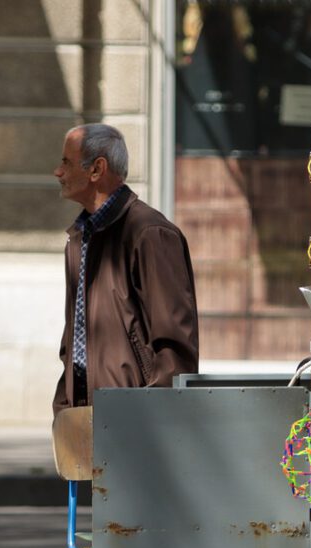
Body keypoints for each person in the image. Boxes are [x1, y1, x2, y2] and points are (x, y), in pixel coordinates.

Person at [52, 124, 199, 415]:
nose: (58, 172)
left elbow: (175, 344)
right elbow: (75, 338)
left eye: (66, 162)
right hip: (85, 414)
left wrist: (154, 415)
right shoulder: (80, 238)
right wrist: (64, 406)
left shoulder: (149, 233)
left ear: (97, 169)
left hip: (135, 417)